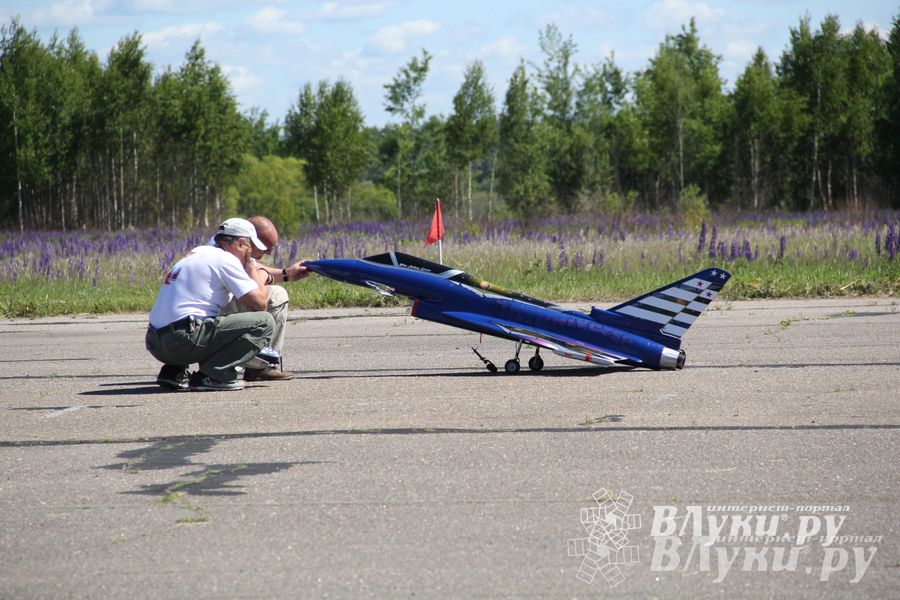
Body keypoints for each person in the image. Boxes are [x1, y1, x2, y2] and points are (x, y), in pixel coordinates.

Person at [146, 218, 275, 391]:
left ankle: (174, 371)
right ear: (240, 243)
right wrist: (251, 267)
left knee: (203, 311)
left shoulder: (196, 253)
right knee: (265, 322)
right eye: (249, 248)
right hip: (181, 341)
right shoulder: (226, 260)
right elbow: (261, 303)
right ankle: (214, 375)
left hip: (155, 342)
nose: (250, 253)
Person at [219, 215, 311, 381]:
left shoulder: (230, 244)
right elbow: (258, 295)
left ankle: (261, 366)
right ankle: (241, 360)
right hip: (211, 317)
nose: (269, 252)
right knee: (271, 296)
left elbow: (255, 268)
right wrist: (263, 276)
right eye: (264, 248)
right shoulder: (227, 256)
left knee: (276, 294)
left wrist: (287, 274)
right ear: (245, 241)